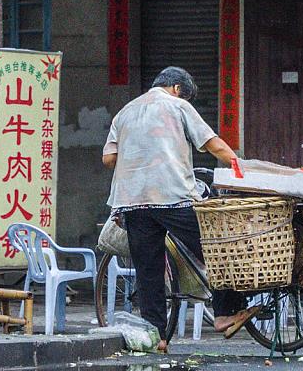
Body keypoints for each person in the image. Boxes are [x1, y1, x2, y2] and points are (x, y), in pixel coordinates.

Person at [102, 67, 254, 352]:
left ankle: (157, 337)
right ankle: (223, 314)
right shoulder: (177, 106)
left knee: (149, 270)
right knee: (218, 247)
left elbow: (109, 159)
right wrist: (240, 167)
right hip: (173, 197)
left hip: (133, 202)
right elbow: (213, 145)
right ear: (175, 88)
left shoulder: (125, 112)